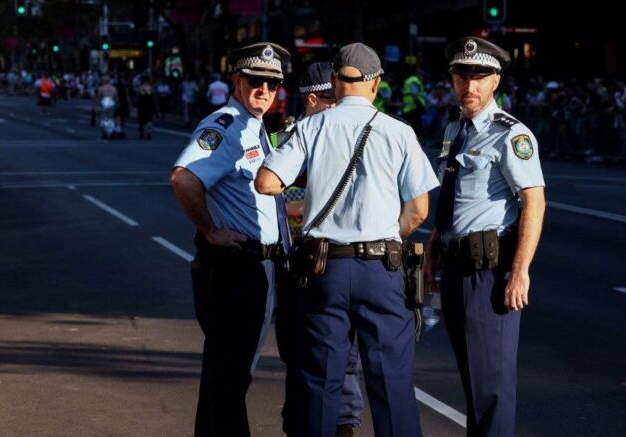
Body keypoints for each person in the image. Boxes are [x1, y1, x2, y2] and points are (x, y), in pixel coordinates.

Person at [256, 42, 439, 437]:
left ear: (336, 82)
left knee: (321, 381)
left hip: (325, 269)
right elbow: (419, 210)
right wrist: (386, 231)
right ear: (375, 85)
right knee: (391, 384)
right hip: (382, 266)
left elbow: (267, 181)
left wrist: (314, 188)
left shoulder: (310, 127)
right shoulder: (398, 132)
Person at [423, 36, 546, 437]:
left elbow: (534, 201)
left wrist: (520, 270)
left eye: (479, 77)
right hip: (458, 267)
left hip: (490, 272)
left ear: (496, 81)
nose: (469, 86)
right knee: (473, 383)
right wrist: (432, 250)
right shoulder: (456, 128)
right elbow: (454, 197)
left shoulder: (510, 133)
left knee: (492, 389)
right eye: (462, 75)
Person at [170, 41, 291, 437]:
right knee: (231, 372)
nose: (264, 90)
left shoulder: (254, 127)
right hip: (239, 266)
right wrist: (209, 230)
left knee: (228, 371)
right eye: (256, 81)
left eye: (272, 84)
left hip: (258, 265)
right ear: (237, 81)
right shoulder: (224, 126)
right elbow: (184, 177)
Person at [270, 61, 364, 437]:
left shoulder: (352, 139)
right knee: (296, 354)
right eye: (332, 98)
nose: (340, 105)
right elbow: (255, 192)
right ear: (312, 99)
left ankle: (343, 426)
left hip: (337, 261)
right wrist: (289, 208)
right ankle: (298, 422)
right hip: (294, 261)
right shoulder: (281, 140)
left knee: (344, 357)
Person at [402, 71, 426, 136]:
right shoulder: (415, 82)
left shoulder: (410, 80)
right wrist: (421, 105)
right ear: (420, 75)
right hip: (414, 106)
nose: (424, 78)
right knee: (416, 125)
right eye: (424, 76)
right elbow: (415, 94)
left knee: (408, 124)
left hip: (409, 107)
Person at [95, 76, 119, 140]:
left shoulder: (101, 88)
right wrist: (117, 104)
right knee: (111, 118)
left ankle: (105, 133)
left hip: (105, 101)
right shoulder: (113, 88)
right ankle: (111, 131)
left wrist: (96, 106)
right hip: (111, 102)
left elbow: (99, 97)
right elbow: (116, 97)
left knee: (103, 118)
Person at [136, 75, 158, 140]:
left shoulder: (140, 88)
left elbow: (138, 96)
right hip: (149, 106)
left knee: (141, 121)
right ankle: (149, 133)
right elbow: (154, 98)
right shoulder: (151, 88)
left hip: (142, 106)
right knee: (149, 120)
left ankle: (141, 134)